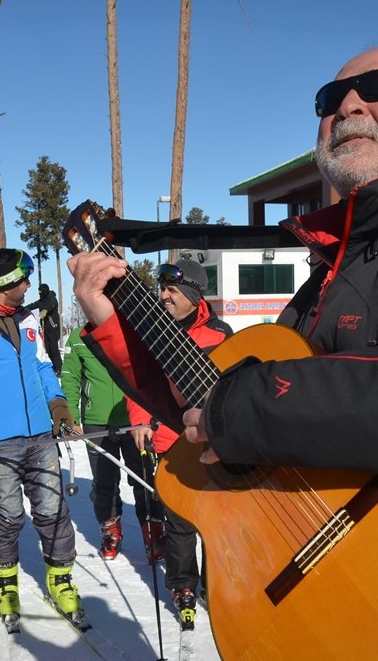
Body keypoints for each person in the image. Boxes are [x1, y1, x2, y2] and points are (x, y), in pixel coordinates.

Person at [71, 47, 378, 659]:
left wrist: (257, 407)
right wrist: (116, 322)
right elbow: (211, 405)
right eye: (329, 98)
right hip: (328, 610)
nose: (348, 104)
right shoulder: (337, 267)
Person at [0, 248, 85, 630]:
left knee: (52, 511)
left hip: (40, 437)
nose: (29, 284)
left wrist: (58, 403)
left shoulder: (28, 318)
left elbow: (42, 365)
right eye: (22, 279)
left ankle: (61, 580)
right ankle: (6, 583)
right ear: (3, 284)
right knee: (9, 516)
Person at [126, 260, 231, 630]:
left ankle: (216, 585)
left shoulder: (220, 333)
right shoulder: (155, 331)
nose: (163, 295)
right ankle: (183, 586)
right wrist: (139, 418)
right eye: (162, 289)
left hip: (214, 440)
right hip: (171, 440)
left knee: (218, 521)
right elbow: (140, 382)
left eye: (171, 290)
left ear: (193, 294)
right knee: (179, 520)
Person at [59, 324, 154, 562]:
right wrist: (72, 417)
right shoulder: (78, 338)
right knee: (104, 482)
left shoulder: (132, 330)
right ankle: (111, 531)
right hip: (97, 422)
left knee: (144, 478)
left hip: (135, 421)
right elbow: (70, 378)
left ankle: (153, 531)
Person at [25, 283, 63, 374]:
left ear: (45, 291)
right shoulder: (41, 301)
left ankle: (58, 368)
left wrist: (45, 310)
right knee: (48, 349)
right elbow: (33, 305)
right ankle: (52, 367)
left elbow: (51, 305)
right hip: (45, 328)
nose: (40, 294)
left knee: (53, 348)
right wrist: (22, 309)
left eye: (41, 292)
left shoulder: (52, 298)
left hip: (54, 327)